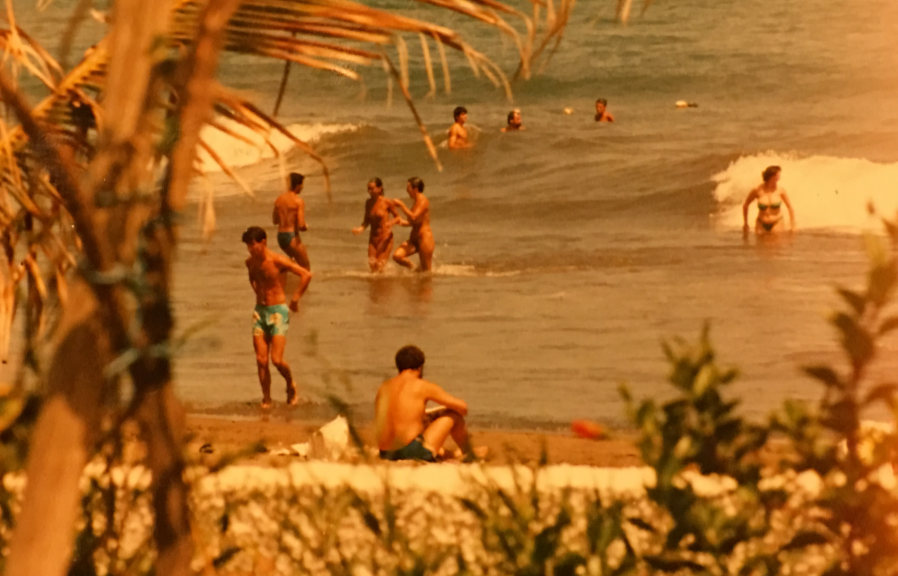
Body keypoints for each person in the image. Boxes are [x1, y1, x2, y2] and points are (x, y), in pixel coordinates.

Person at [242, 226, 312, 409]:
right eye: (248, 246)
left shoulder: (277, 260)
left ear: (263, 242)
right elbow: (252, 277)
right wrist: (257, 292)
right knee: (260, 359)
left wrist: (295, 299)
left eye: (253, 245)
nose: (250, 249)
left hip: (278, 312)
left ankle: (290, 384)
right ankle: (266, 399)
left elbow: (306, 274)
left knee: (276, 360)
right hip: (259, 312)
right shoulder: (250, 262)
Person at [375, 345, 474, 462]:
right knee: (454, 416)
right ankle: (469, 454)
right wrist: (445, 410)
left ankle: (449, 454)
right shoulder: (422, 386)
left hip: (385, 452)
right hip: (409, 452)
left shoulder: (384, 387)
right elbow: (463, 408)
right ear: (420, 367)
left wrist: (427, 415)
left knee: (423, 420)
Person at [352, 177, 403, 273]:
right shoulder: (368, 203)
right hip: (373, 239)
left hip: (385, 238)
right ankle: (375, 287)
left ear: (380, 189)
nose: (370, 191)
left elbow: (398, 217)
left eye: (372, 188)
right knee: (372, 266)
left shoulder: (386, 202)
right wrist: (360, 229)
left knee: (379, 266)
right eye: (368, 188)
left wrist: (390, 223)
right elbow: (366, 221)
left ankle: (384, 286)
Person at [392, 177, 434, 272]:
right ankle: (413, 268)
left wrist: (402, 205)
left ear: (415, 189)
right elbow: (412, 222)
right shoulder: (416, 202)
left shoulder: (423, 200)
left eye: (408, 188)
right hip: (414, 238)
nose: (407, 190)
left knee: (426, 272)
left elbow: (414, 217)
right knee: (397, 256)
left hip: (424, 238)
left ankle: (425, 285)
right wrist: (399, 221)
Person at [742, 165, 796, 235]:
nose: (779, 177)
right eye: (778, 175)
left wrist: (793, 224)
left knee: (775, 245)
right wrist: (745, 223)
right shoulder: (757, 190)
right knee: (760, 245)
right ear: (771, 176)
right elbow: (746, 205)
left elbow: (790, 207)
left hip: (777, 222)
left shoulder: (781, 190)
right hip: (760, 223)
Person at [273, 172, 310, 270]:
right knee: (306, 268)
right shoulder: (298, 201)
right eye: (302, 184)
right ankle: (301, 285)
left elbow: (275, 221)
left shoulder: (279, 199)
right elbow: (301, 225)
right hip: (292, 236)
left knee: (293, 265)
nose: (302, 187)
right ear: (297, 185)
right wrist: (306, 226)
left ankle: (286, 280)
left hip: (280, 237)